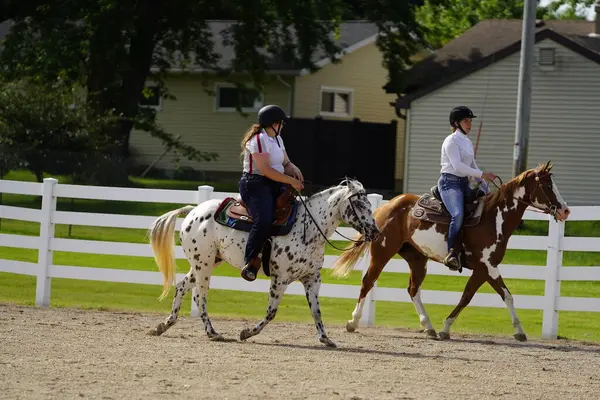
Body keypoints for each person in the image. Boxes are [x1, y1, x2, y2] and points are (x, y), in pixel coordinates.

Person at [238, 104, 305, 282]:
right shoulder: (258, 140)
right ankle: (250, 262)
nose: (282, 126)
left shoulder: (277, 139)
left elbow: (286, 163)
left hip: (275, 183)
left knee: (295, 210)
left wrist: (294, 169)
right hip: (255, 185)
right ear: (274, 123)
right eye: (281, 123)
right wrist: (291, 181)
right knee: (264, 220)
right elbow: (266, 170)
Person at [438, 105, 497, 271]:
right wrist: (482, 173)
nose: (470, 125)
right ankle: (451, 253)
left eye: (470, 121)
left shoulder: (467, 142)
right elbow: (457, 167)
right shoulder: (451, 141)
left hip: (464, 183)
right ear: (456, 123)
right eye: (466, 121)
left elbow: (472, 166)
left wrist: (485, 185)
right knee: (457, 214)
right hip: (449, 183)